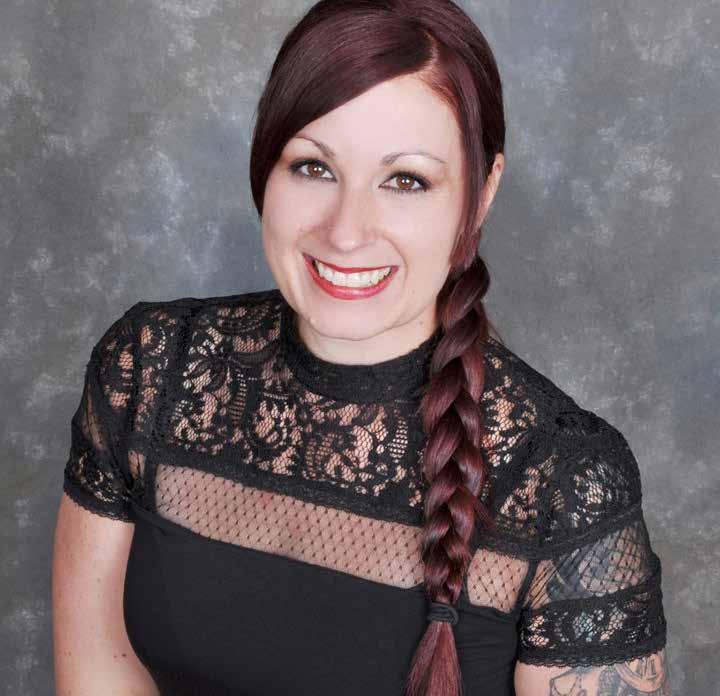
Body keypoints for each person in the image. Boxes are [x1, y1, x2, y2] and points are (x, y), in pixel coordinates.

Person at [52, 1, 669, 695]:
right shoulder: (150, 371)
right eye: (313, 167)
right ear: (264, 165)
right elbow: (100, 676)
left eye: (405, 180)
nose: (346, 232)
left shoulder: (565, 479)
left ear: (481, 193)